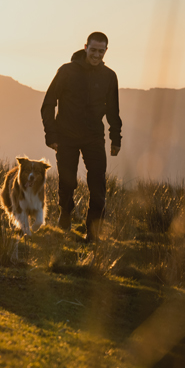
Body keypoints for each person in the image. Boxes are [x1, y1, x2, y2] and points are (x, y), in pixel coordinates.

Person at [40, 32, 122, 242]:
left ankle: (92, 234)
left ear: (106, 51)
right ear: (85, 47)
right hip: (66, 135)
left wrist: (115, 138)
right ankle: (65, 214)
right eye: (93, 50)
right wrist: (51, 135)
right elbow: (48, 103)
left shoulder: (109, 76)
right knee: (67, 183)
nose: (96, 55)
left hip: (94, 137)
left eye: (100, 51)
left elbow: (113, 110)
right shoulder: (67, 71)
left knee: (98, 185)